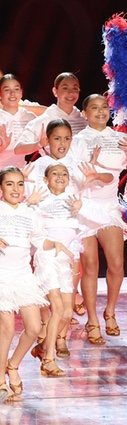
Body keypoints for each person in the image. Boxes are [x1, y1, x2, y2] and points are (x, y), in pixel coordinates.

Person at [72, 94, 127, 345]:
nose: (100, 112)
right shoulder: (78, 141)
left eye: (104, 107)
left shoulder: (119, 138)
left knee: (117, 264)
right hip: (84, 208)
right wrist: (90, 170)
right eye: (94, 108)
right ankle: (92, 320)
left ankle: (110, 311)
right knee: (89, 266)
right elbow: (70, 172)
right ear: (85, 113)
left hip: (109, 208)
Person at [27, 163, 102, 375]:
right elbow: (25, 222)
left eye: (64, 173)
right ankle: (48, 360)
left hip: (67, 260)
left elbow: (101, 219)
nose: (60, 176)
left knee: (67, 314)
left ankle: (43, 347)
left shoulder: (73, 200)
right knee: (57, 309)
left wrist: (83, 206)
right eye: (55, 173)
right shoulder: (39, 200)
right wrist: (28, 203)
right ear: (46, 179)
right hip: (47, 257)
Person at [0, 167, 60, 401]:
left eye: (20, 184)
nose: (16, 189)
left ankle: (12, 365)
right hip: (1, 276)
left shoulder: (30, 213)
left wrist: (58, 245)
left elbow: (39, 240)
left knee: (35, 328)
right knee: (6, 328)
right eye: (9, 184)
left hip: (23, 276)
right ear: (1, 188)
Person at [14, 72, 87, 157]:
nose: (71, 93)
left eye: (75, 88)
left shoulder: (84, 121)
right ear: (55, 91)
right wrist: (39, 144)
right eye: (65, 88)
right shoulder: (45, 120)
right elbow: (18, 148)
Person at [0, 74, 37, 168]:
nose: (12, 93)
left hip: (22, 170)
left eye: (16, 89)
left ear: (21, 93)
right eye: (7, 90)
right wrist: (2, 148)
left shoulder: (30, 118)